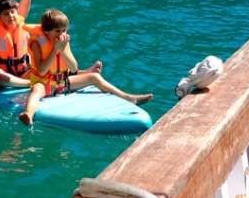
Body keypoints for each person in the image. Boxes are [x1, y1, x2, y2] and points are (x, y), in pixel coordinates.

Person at [18, 9, 152, 126]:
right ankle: (29, 114)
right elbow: (41, 70)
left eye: (64, 30)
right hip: (45, 84)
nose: (61, 34)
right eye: (57, 31)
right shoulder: (37, 43)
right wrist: (54, 51)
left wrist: (63, 50)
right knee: (36, 90)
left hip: (63, 83)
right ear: (46, 31)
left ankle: (129, 98)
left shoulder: (63, 42)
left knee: (94, 76)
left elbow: (74, 68)